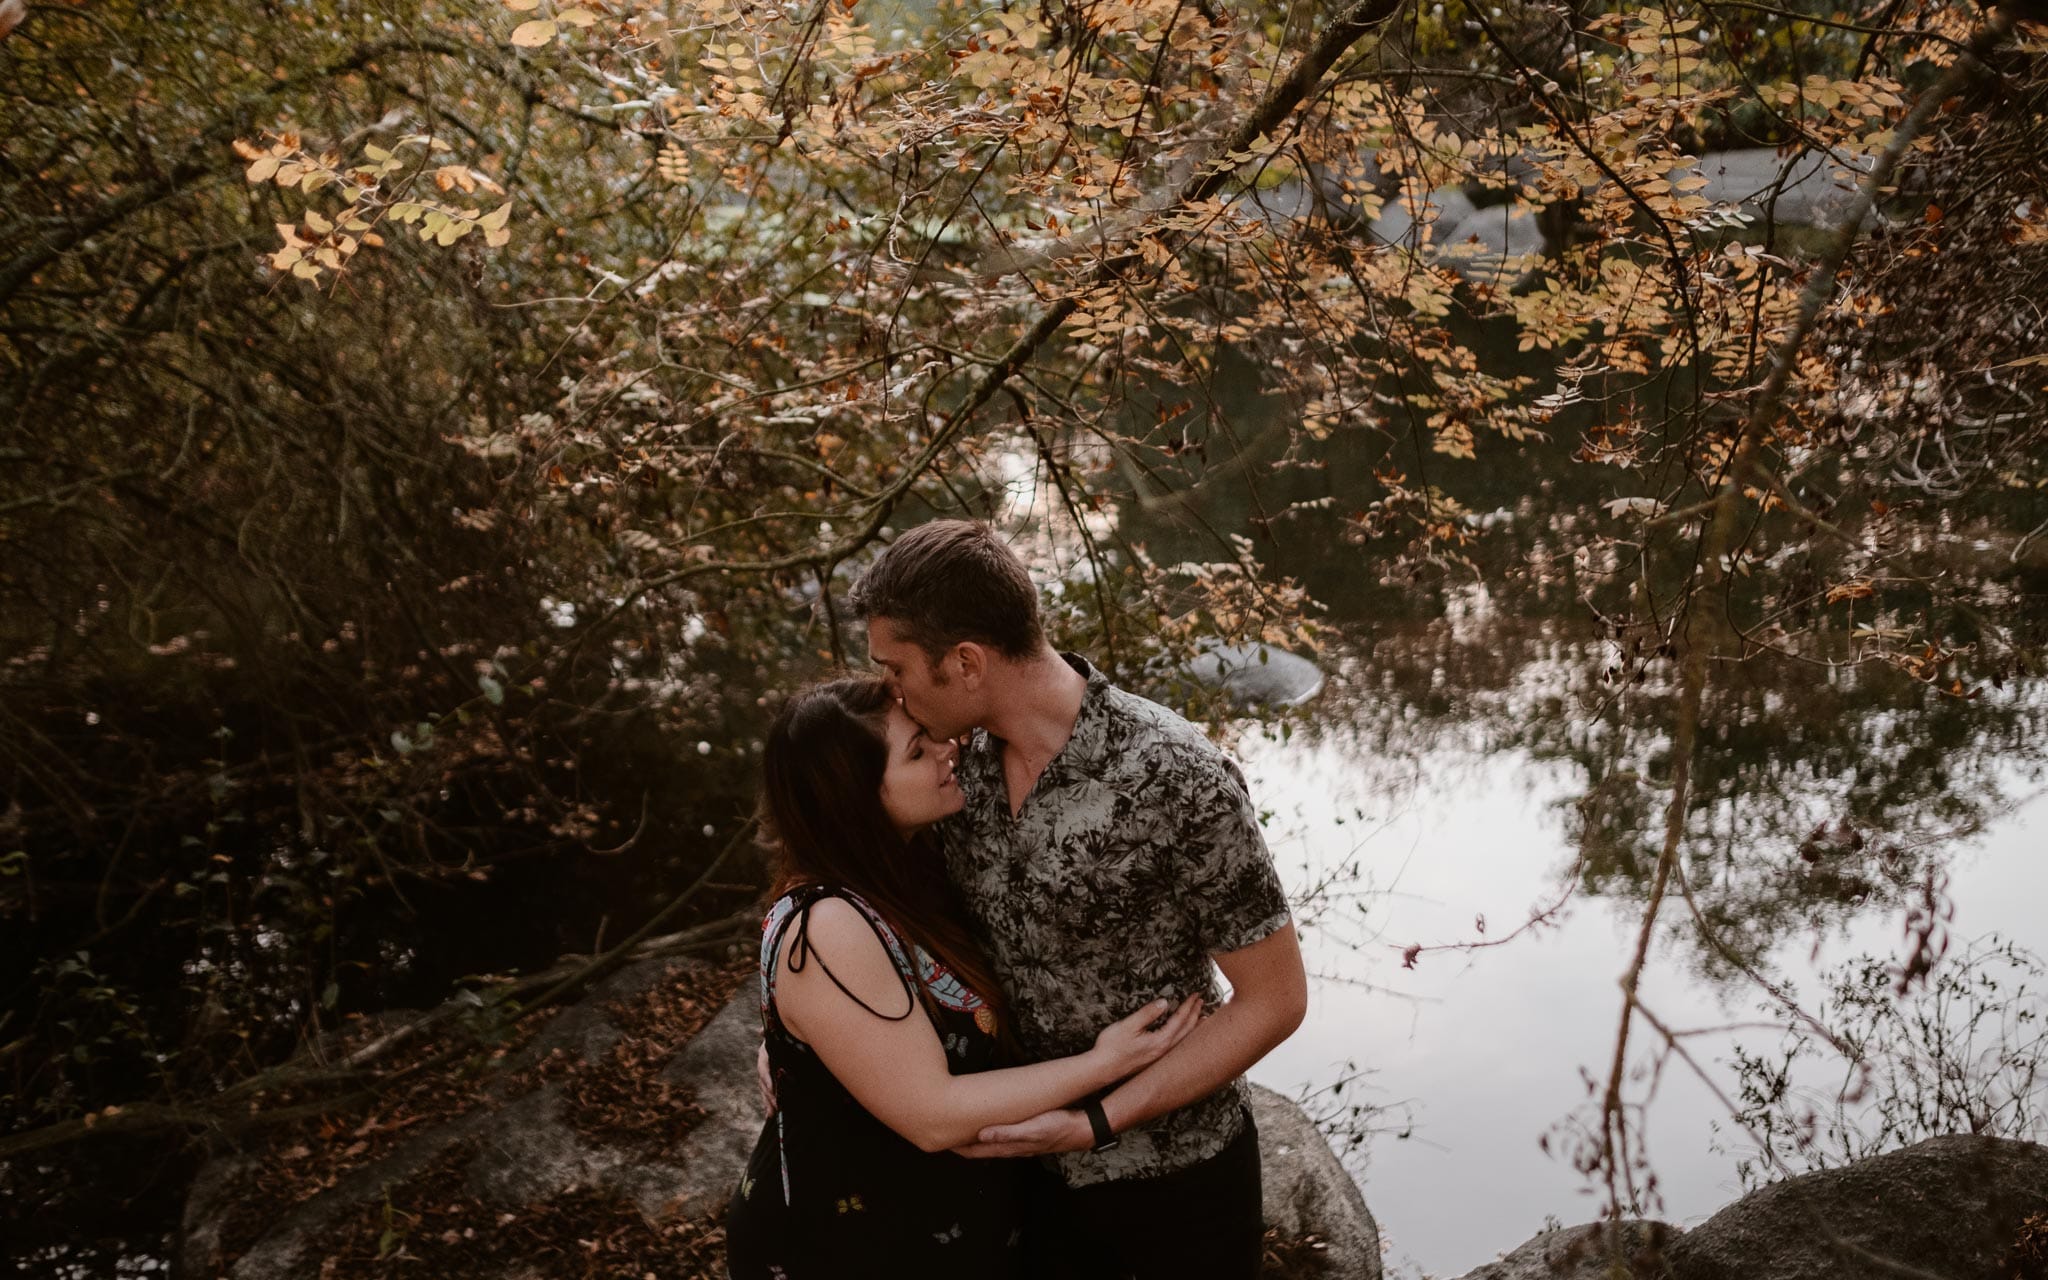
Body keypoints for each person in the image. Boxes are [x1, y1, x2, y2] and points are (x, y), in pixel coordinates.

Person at [847, 519, 1309, 1280]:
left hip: (1178, 1182)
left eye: (896, 668)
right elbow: (875, 905)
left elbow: (1274, 1000)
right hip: (1014, 1180)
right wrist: (801, 1041)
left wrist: (1094, 1122)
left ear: (965, 662)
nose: (890, 691)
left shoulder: (1176, 776)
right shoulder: (951, 775)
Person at [724, 676, 1203, 1280]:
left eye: (928, 735)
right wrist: (1106, 1064)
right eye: (917, 752)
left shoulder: (910, 869)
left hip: (926, 1229)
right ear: (855, 797)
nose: (948, 749)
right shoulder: (828, 926)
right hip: (842, 1247)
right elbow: (934, 1116)